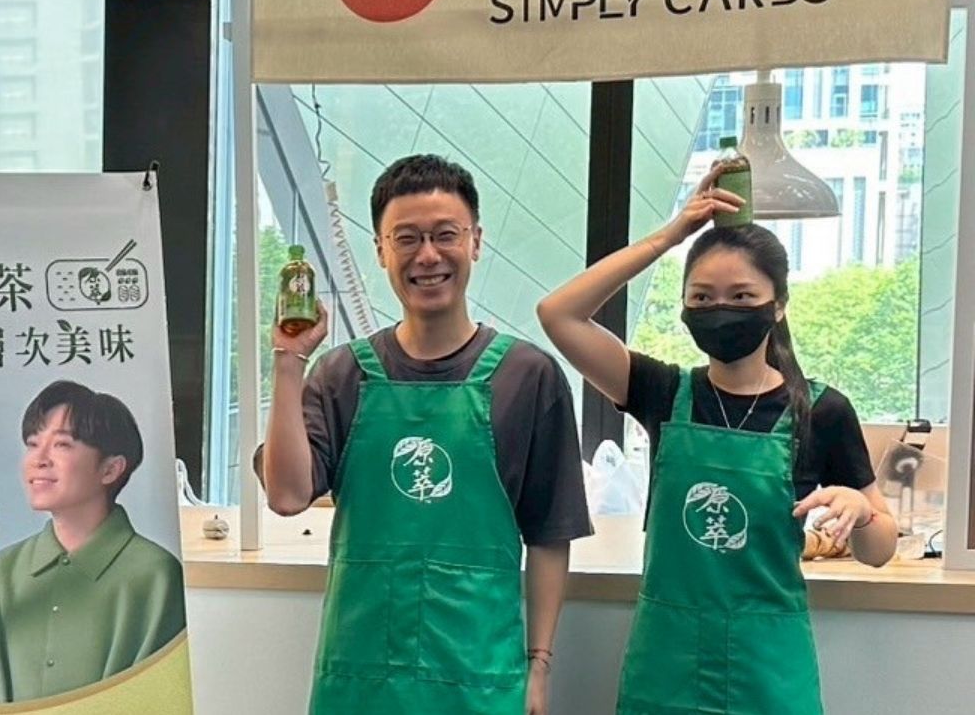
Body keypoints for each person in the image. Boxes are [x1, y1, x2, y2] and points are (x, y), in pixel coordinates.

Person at [537, 171, 896, 715]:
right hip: (667, 668)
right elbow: (558, 314)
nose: (720, 310)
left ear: (778, 305)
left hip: (768, 672)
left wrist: (862, 513)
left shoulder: (821, 411)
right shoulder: (660, 391)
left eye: (742, 296)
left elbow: (880, 551)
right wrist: (669, 236)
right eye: (702, 297)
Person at [258, 154, 592, 715]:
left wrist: (539, 665)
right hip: (360, 680)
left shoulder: (527, 377)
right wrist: (289, 360)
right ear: (380, 250)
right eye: (407, 238)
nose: (428, 256)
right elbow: (287, 496)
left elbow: (549, 534)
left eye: (446, 235)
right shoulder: (342, 375)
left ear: (476, 241)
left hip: (480, 678)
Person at [0, 380, 186, 704]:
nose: (38, 459)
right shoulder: (2, 573)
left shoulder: (156, 575)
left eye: (62, 444)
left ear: (110, 469)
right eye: (32, 444)